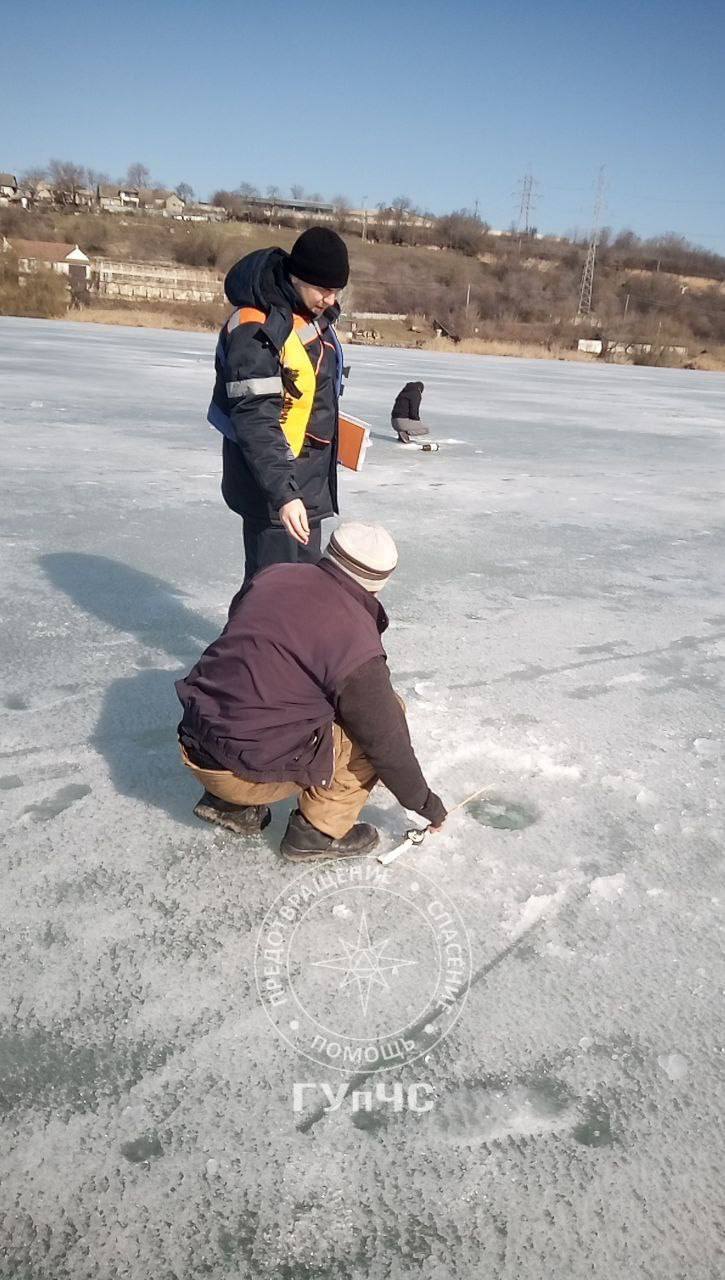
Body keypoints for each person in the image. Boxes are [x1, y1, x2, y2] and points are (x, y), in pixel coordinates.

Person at [175, 523, 447, 862]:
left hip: (196, 744)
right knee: (383, 716)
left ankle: (230, 805)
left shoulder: (273, 575)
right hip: (243, 773)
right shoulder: (355, 641)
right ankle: (317, 832)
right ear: (378, 585)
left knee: (266, 692)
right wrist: (428, 805)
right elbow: (387, 744)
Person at [207, 227, 350, 584]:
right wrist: (284, 495)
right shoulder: (255, 327)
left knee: (298, 592)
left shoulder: (311, 315)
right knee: (270, 593)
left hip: (306, 487)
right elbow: (255, 417)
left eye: (337, 291)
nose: (331, 300)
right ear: (297, 277)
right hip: (273, 491)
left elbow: (312, 397)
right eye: (324, 290)